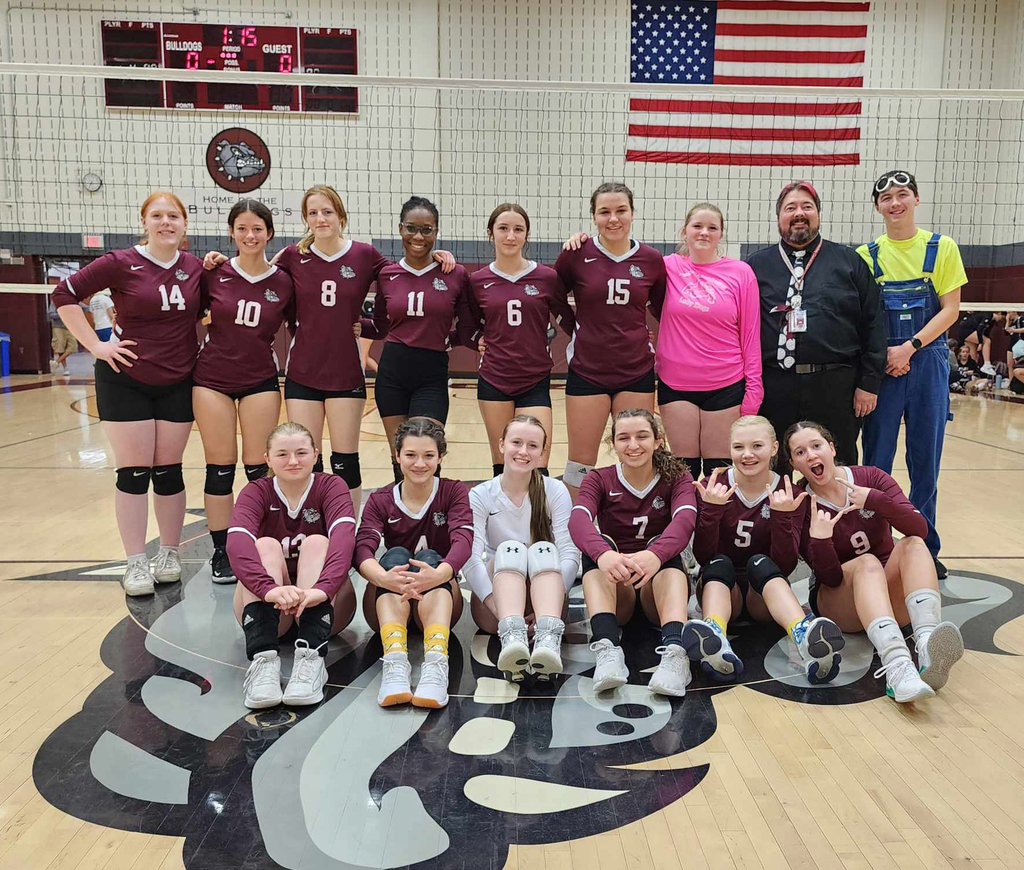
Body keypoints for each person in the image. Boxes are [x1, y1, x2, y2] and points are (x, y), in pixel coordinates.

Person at [203, 185, 452, 509]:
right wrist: (219, 262)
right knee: (308, 460)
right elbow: (258, 270)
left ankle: (347, 532)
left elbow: (403, 272)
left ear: (341, 216)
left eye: (327, 211)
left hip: (346, 373)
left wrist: (436, 257)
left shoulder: (364, 255)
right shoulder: (294, 255)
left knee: (345, 461)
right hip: (303, 373)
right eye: (313, 213)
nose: (320, 218)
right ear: (306, 219)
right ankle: (313, 528)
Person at [51, 192, 201, 596]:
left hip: (177, 380)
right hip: (125, 379)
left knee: (169, 471)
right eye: (157, 216)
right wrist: (96, 345)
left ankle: (168, 553)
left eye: (173, 216)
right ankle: (136, 561)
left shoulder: (195, 266)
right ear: (144, 221)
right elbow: (63, 295)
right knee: (133, 472)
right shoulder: (120, 262)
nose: (165, 222)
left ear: (185, 224)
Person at [785, 421, 963, 703]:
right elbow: (829, 577)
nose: (811, 456)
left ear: (831, 448)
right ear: (794, 464)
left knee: (914, 544)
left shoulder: (870, 478)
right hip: (839, 602)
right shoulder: (800, 502)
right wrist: (820, 539)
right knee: (866, 563)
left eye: (816, 446)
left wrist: (875, 499)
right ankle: (896, 665)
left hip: (885, 594)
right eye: (800, 452)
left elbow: (920, 528)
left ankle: (928, 645)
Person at [858, 170, 966, 579]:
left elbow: (950, 310)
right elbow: (866, 316)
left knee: (925, 463)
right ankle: (874, 545)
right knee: (877, 463)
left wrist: (910, 347)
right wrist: (886, 353)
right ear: (877, 207)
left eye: (902, 194)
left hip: (927, 362)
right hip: (883, 365)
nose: (895, 203)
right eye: (886, 197)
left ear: (916, 199)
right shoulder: (866, 255)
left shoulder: (942, 248)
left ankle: (925, 547)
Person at [684, 416, 844, 684]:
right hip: (723, 591)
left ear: (773, 449)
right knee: (718, 562)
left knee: (762, 562)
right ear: (729, 449)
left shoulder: (789, 491)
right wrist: (711, 511)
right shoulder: (715, 484)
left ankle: (803, 636)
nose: (747, 455)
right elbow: (703, 556)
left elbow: (786, 565)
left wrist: (782, 517)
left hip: (765, 598)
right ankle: (715, 636)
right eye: (738, 447)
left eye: (757, 446)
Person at [746, 181, 886, 477]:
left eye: (807, 207)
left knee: (839, 466)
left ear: (818, 215)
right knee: (774, 470)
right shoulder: (755, 266)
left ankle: (838, 523)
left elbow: (873, 323)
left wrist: (869, 383)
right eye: (791, 208)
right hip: (775, 385)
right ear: (778, 217)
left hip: (836, 385)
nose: (799, 213)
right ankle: (780, 522)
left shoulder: (849, 262)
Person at [193, 200, 295, 582]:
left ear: (269, 233)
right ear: (232, 232)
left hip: (259, 379)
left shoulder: (283, 280)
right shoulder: (213, 273)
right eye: (242, 228)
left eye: (257, 229)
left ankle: (260, 541)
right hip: (212, 380)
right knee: (219, 468)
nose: (250, 236)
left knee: (258, 468)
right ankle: (222, 551)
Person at [226, 422, 357, 709]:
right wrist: (269, 589)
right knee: (265, 545)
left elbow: (345, 540)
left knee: (318, 542)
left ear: (316, 454)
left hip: (325, 605)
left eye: (301, 452)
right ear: (267, 459)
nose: (293, 461)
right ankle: (263, 662)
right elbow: (236, 545)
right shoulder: (255, 491)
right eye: (282, 454)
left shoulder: (331, 486)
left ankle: (311, 660)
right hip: (271, 606)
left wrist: (321, 590)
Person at [568, 409, 697, 696]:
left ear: (657, 440)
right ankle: (608, 651)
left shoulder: (677, 477)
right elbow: (577, 521)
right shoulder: (599, 479)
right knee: (595, 548)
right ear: (613, 444)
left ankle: (676, 654)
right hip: (619, 587)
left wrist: (655, 555)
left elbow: (685, 521)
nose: (633, 445)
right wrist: (604, 555)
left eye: (642, 436)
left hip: (656, 588)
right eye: (623, 438)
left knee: (666, 550)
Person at [555, 182, 667, 500]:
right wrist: (574, 325)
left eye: (621, 210)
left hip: (635, 371)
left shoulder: (651, 259)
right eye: (605, 211)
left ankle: (638, 528)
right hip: (587, 371)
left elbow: (662, 309)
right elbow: (553, 296)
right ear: (594, 216)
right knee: (579, 465)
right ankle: (574, 537)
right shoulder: (576, 254)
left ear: (632, 213)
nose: (613, 218)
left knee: (640, 459)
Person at [355, 418, 473, 709]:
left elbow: (463, 543)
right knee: (394, 556)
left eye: (428, 455)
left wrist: (436, 575)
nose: (419, 463)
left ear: (440, 457)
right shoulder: (381, 499)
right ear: (396, 455)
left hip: (440, 600)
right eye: (410, 455)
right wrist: (385, 579)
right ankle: (395, 663)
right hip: (386, 600)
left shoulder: (454, 492)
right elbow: (361, 550)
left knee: (431, 558)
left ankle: (435, 663)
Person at [362, 196, 474, 482]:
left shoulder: (454, 274)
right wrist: (351, 326)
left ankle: (433, 519)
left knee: (426, 451)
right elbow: (380, 327)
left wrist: (445, 341)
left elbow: (468, 326)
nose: (418, 236)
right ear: (400, 229)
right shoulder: (387, 274)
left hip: (431, 373)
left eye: (427, 229)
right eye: (412, 228)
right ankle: (401, 520)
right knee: (401, 456)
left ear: (436, 232)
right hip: (392, 373)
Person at [465, 415, 579, 680]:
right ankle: (511, 634)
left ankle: (548, 639)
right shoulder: (481, 494)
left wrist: (552, 601)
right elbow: (470, 558)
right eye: (516, 442)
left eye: (532, 445)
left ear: (542, 453)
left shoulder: (555, 490)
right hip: (496, 606)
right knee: (511, 549)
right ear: (502, 445)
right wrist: (496, 606)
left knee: (544, 550)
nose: (523, 452)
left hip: (546, 604)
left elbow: (570, 551)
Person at [654, 203, 762, 481]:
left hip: (725, 386)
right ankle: (683, 524)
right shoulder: (666, 267)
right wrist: (584, 243)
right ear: (684, 231)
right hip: (676, 386)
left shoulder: (740, 273)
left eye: (712, 228)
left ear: (721, 234)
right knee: (682, 474)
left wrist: (754, 391)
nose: (704, 232)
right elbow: (623, 265)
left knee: (720, 475)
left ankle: (715, 526)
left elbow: (750, 336)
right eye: (697, 226)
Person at [467, 204, 575, 477]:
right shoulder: (477, 281)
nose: (510, 236)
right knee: (503, 465)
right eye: (503, 228)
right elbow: (466, 325)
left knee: (537, 465)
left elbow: (569, 318)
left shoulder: (547, 278)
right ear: (490, 233)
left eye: (518, 229)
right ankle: (502, 520)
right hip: (494, 379)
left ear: (527, 235)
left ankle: (536, 521)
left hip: (534, 379)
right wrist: (477, 339)